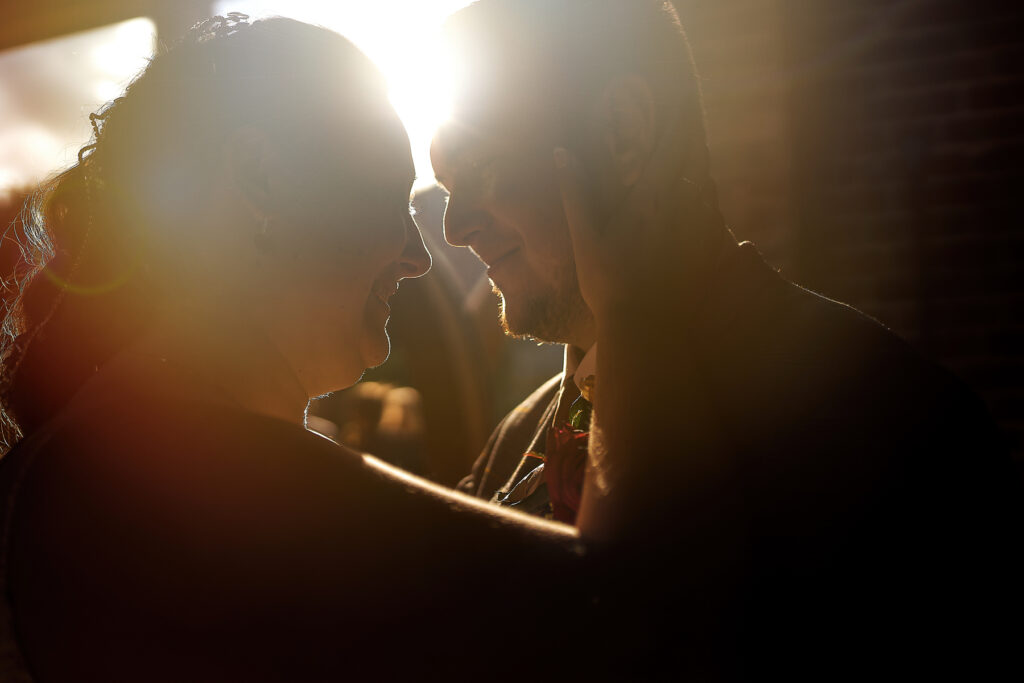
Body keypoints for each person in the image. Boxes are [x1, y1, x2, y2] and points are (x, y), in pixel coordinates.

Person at [0, 14, 683, 682]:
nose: (420, 255)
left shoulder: (102, 454)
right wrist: (624, 312)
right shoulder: (190, 479)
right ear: (262, 179)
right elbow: (622, 614)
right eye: (391, 195)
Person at [432, 0, 1021, 677]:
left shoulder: (896, 425)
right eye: (446, 186)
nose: (454, 227)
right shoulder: (510, 446)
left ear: (624, 133)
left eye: (480, 170)